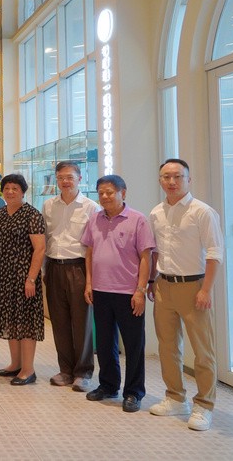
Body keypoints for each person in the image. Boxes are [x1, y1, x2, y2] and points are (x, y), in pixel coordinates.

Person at [148, 159, 224, 431]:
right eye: (166, 177)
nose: (172, 181)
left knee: (203, 351)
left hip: (195, 286)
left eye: (178, 176)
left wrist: (206, 289)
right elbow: (155, 251)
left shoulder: (202, 212)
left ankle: (204, 405)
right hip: (164, 285)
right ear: (160, 180)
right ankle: (175, 398)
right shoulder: (156, 212)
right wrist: (152, 281)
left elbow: (215, 253)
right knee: (168, 347)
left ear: (188, 180)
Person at [82, 175, 155, 413]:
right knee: (104, 343)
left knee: (134, 345)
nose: (105, 196)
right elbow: (90, 253)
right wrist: (89, 283)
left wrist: (140, 290)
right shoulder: (95, 219)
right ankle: (108, 385)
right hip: (100, 290)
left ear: (123, 193)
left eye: (110, 192)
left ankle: (134, 392)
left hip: (128, 293)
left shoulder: (138, 220)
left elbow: (146, 257)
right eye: (101, 192)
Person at [42, 161, 99, 392]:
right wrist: (44, 270)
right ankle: (65, 370)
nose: (65, 181)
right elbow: (46, 238)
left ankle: (83, 372)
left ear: (79, 179)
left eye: (70, 177)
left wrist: (91, 279)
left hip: (79, 267)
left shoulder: (91, 207)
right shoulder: (48, 205)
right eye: (61, 177)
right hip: (54, 266)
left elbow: (94, 245)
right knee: (59, 322)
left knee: (82, 322)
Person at [0, 173, 46, 386]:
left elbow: (40, 249)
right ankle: (15, 364)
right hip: (3, 275)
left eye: (15, 188)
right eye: (7, 188)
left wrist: (31, 279)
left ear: (23, 191)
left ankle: (28, 370)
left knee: (26, 322)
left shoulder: (32, 214)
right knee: (10, 320)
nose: (10, 192)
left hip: (24, 276)